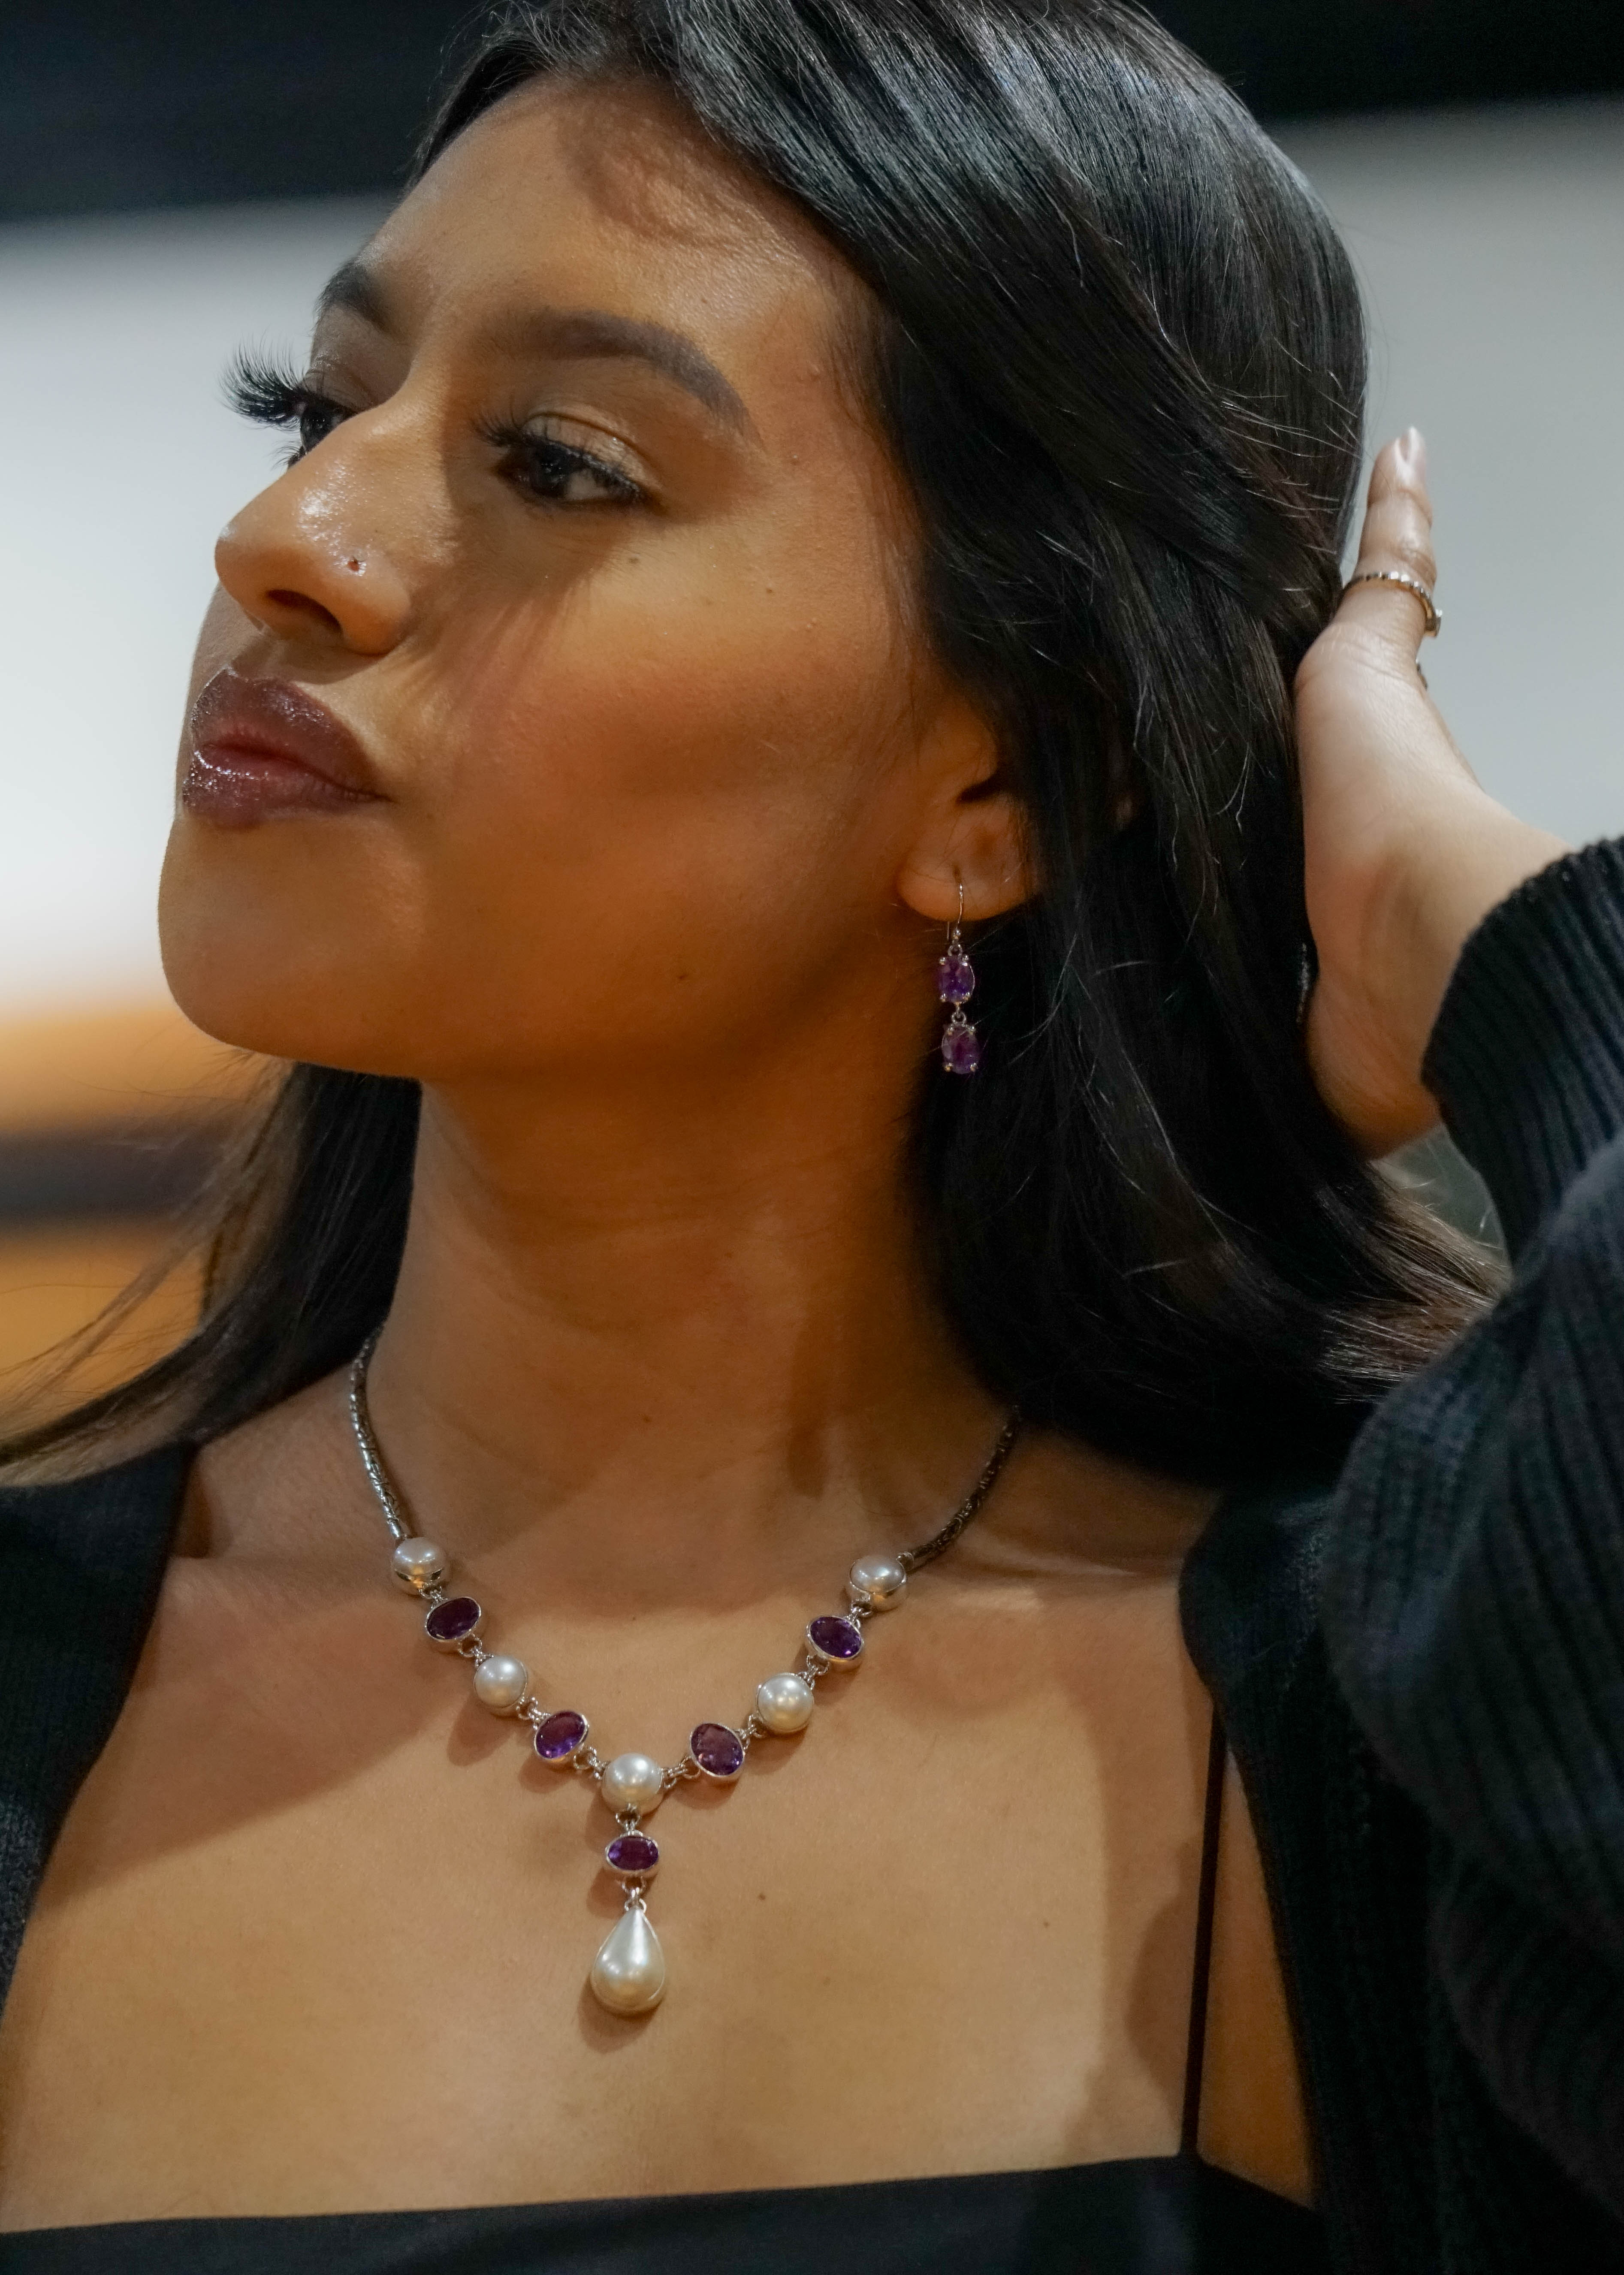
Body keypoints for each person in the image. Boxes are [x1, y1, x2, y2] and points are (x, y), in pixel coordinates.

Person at [0, 1, 1619, 2266]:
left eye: (561, 461)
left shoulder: (1396, 1729)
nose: (287, 533)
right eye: (321, 404)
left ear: (1003, 787)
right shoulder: (43, 1678)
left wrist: (1502, 943)